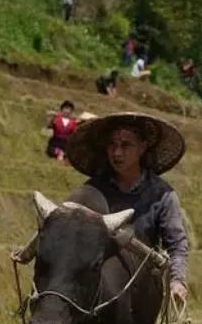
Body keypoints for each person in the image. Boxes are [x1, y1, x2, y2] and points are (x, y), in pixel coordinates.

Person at [66, 113, 189, 302]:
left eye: (125, 145)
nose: (117, 153)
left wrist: (177, 281)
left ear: (142, 147)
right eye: (112, 145)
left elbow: (177, 244)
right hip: (94, 290)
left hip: (140, 292)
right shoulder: (92, 191)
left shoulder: (162, 195)